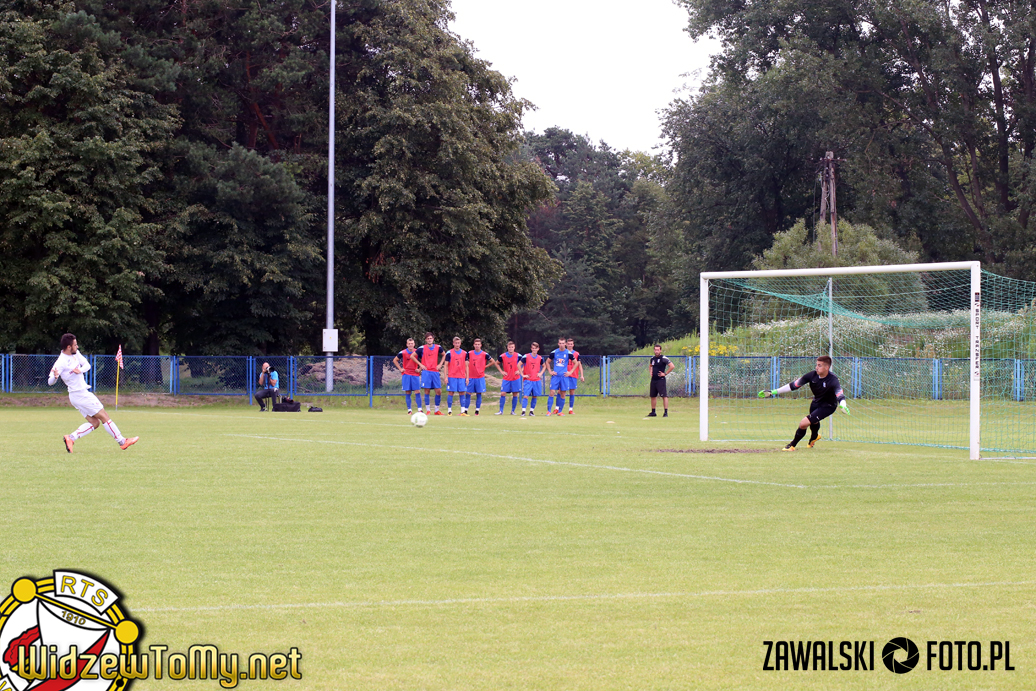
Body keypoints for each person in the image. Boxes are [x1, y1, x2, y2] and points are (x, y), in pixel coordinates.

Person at [49, 333, 138, 453]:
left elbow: (87, 365)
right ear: (69, 347)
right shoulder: (60, 362)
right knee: (104, 416)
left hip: (77, 396)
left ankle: (71, 438)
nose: (77, 346)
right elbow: (50, 382)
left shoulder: (75, 354)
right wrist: (55, 377)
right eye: (75, 345)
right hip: (80, 395)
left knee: (95, 423)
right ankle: (122, 441)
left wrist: (80, 370)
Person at [760, 355, 850, 451]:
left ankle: (792, 445)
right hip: (816, 402)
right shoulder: (812, 375)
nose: (816, 367)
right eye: (816, 365)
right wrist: (773, 392)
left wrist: (843, 405)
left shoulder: (833, 380)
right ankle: (814, 437)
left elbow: (840, 394)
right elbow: (793, 385)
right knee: (813, 421)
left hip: (828, 406)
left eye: (819, 365)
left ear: (827, 367)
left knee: (804, 423)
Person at [411, 332, 446, 415]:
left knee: (439, 391)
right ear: (426, 340)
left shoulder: (438, 347)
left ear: (433, 339)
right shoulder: (422, 348)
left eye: (431, 338)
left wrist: (440, 364)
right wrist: (420, 365)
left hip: (435, 372)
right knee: (427, 391)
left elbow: (444, 355)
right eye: (428, 339)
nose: (429, 340)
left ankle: (436, 410)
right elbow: (412, 356)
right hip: (426, 372)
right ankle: (428, 410)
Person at [463, 338, 496, 416]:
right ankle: (465, 410)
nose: (477, 346)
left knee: (479, 394)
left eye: (478, 344)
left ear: (481, 345)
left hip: (479, 377)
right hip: (471, 377)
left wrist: (485, 366)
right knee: (468, 393)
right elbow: (465, 363)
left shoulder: (484, 354)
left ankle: (477, 411)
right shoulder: (469, 353)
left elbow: (493, 361)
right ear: (474, 345)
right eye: (476, 344)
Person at [393, 338, 423, 414]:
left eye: (412, 343)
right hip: (406, 374)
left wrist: (419, 369)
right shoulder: (403, 352)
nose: (410, 345)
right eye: (409, 343)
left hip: (415, 374)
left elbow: (423, 360)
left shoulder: (417, 352)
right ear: (407, 344)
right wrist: (400, 369)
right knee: (408, 392)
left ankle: (420, 409)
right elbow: (395, 360)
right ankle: (409, 410)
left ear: (414, 344)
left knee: (417, 391)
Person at [495, 341, 523, 415]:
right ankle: (501, 411)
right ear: (507, 347)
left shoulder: (519, 356)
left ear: (514, 347)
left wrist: (520, 371)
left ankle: (513, 411)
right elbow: (496, 363)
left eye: (512, 347)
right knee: (503, 393)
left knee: (515, 394)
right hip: (506, 378)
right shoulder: (503, 356)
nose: (511, 348)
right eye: (509, 347)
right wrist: (501, 371)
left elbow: (525, 364)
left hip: (515, 378)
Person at [546, 337, 572, 416]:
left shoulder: (568, 353)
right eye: (560, 343)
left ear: (565, 344)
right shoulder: (554, 352)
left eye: (563, 343)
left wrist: (570, 372)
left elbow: (576, 362)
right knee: (552, 392)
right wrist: (550, 371)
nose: (561, 345)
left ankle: (560, 411)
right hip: (555, 376)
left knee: (563, 394)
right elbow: (547, 362)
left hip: (564, 377)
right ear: (558, 344)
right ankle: (549, 411)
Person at [647, 344, 674, 417]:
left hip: (660, 380)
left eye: (658, 350)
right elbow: (650, 366)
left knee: (664, 396)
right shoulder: (652, 359)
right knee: (653, 396)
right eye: (655, 350)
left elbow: (672, 366)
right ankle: (653, 412)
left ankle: (665, 412)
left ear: (660, 350)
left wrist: (665, 374)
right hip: (653, 380)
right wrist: (651, 372)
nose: (656, 351)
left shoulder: (663, 358)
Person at [520, 342, 544, 416]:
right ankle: (523, 411)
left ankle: (531, 411)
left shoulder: (540, 358)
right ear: (531, 349)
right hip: (528, 380)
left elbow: (544, 366)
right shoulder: (526, 356)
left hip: (536, 380)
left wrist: (540, 373)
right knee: (526, 396)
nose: (534, 350)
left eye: (535, 348)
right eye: (533, 348)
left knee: (535, 396)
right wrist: (522, 374)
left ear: (538, 349)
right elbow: (519, 364)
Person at [563, 337, 584, 414]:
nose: (570, 345)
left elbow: (579, 365)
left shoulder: (576, 354)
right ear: (566, 344)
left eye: (571, 344)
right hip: (564, 375)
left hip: (573, 375)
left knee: (572, 392)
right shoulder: (563, 352)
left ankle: (570, 409)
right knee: (561, 391)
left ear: (573, 345)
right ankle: (557, 408)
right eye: (568, 344)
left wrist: (582, 375)